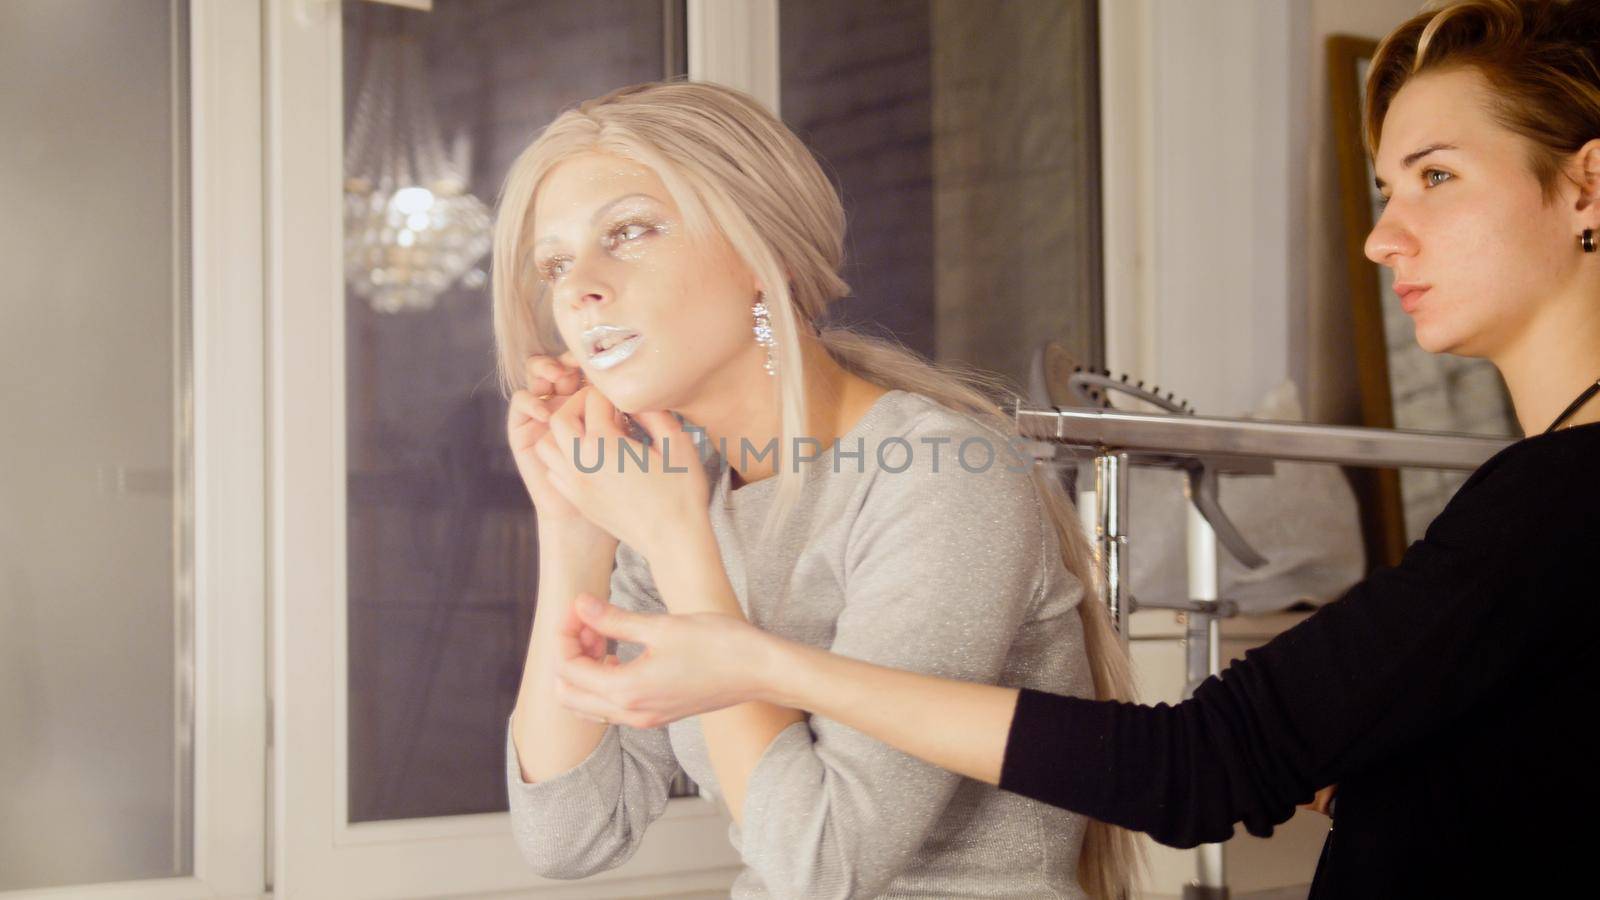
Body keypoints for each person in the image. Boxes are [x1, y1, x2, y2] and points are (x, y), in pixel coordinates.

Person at [549, 1, 1600, 896]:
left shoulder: (1558, 497)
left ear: (1585, 189)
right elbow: (568, 836)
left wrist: (755, 657)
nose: (1381, 236)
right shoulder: (1543, 496)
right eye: (1383, 191)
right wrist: (572, 528)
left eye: (1436, 178)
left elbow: (1198, 768)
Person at [493, 78, 1141, 898]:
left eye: (628, 231)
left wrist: (676, 540)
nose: (577, 288)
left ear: (764, 253)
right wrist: (574, 530)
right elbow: (569, 835)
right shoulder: (683, 496)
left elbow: (823, 867)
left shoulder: (940, 475)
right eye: (554, 263)